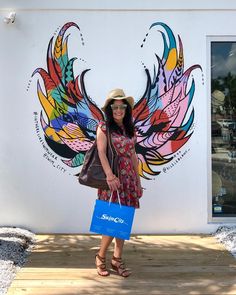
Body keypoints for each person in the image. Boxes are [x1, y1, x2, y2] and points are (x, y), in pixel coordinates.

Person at [95, 88, 143, 277]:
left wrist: (138, 182)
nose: (118, 110)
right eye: (114, 107)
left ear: (126, 108)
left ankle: (117, 259)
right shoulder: (103, 126)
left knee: (123, 221)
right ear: (109, 109)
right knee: (110, 220)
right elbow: (101, 152)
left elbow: (132, 155)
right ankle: (100, 257)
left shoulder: (130, 128)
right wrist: (109, 175)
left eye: (121, 106)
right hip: (112, 178)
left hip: (128, 179)